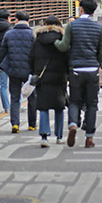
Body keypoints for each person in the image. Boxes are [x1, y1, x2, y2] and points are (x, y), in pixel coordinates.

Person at [54, 0, 102, 148]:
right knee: (91, 104)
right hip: (92, 70)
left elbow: (64, 46)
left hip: (76, 69)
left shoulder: (72, 25)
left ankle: (72, 124)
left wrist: (55, 43)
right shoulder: (99, 27)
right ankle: (89, 137)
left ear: (81, 9)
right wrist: (98, 64)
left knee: (75, 101)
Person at [28, 16, 69, 146]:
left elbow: (31, 58)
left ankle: (44, 136)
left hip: (42, 78)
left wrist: (35, 72)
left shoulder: (37, 40)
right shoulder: (62, 39)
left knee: (43, 107)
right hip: (59, 77)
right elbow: (67, 57)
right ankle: (59, 136)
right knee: (59, 106)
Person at [0, 10, 37, 133]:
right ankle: (32, 124)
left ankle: (15, 124)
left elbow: (3, 52)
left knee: (15, 97)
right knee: (32, 97)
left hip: (14, 70)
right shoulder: (32, 35)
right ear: (29, 21)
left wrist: (6, 66)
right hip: (29, 71)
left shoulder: (9, 34)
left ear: (15, 20)